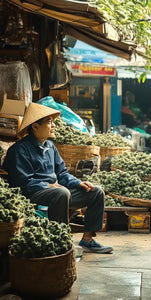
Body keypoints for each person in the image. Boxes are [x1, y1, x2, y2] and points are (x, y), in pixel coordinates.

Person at [3, 103, 113, 254]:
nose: (54, 126)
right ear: (35, 127)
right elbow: (23, 183)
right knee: (61, 193)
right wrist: (48, 186)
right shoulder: (19, 150)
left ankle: (88, 240)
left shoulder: (50, 146)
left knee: (96, 191)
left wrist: (79, 183)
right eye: (49, 122)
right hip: (33, 194)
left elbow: (62, 173)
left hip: (55, 190)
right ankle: (61, 240)